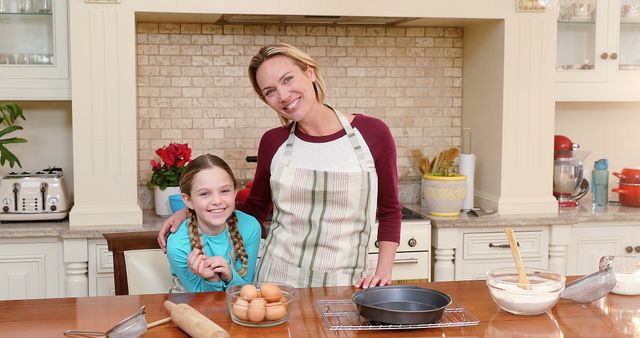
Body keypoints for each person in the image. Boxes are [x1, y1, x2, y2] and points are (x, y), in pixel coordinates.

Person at [159, 43, 401, 289]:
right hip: (278, 281)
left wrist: (383, 270)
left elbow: (390, 210)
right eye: (270, 91)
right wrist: (191, 212)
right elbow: (255, 207)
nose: (283, 96)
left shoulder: (372, 133)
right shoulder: (274, 142)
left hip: (348, 281)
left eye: (288, 79)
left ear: (310, 72)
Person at [166, 154, 261, 292]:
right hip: (191, 307)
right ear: (188, 201)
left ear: (235, 193)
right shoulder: (178, 244)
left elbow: (247, 290)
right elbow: (201, 301)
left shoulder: (250, 227)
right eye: (204, 193)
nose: (217, 201)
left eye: (224, 191)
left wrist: (230, 276)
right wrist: (212, 280)